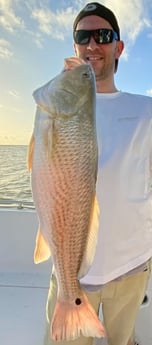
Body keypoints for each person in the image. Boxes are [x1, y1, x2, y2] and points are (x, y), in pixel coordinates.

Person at [42, 2, 152, 345]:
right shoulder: (51, 110)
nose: (92, 44)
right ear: (74, 46)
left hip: (132, 267)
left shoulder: (146, 110)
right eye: (83, 36)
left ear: (118, 46)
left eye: (103, 36)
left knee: (123, 340)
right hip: (72, 271)